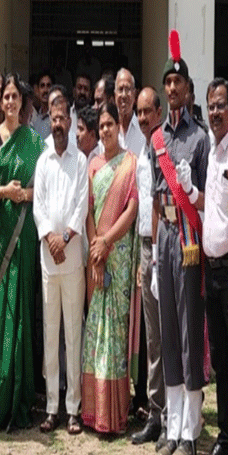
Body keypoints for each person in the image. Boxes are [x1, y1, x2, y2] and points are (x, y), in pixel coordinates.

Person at [151, 31, 209, 455]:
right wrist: (153, 253)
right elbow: (155, 198)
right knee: (169, 331)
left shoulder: (200, 138)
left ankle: (190, 430)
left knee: (190, 333)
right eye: (167, 83)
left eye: (178, 84)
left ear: (188, 90)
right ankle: (171, 426)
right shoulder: (158, 139)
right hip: (166, 235)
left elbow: (206, 197)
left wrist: (191, 190)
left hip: (190, 237)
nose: (172, 89)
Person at [0, 72, 45, 431]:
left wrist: (25, 195)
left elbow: (45, 190)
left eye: (14, 97)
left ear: (22, 103)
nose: (9, 102)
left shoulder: (35, 143)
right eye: (4, 97)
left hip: (24, 235)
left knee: (20, 310)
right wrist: (5, 191)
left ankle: (20, 396)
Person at [33, 85, 89, 434]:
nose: (57, 123)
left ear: (70, 121)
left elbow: (81, 205)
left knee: (73, 332)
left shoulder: (80, 160)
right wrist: (49, 237)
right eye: (52, 118)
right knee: (50, 332)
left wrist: (65, 237)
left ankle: (74, 408)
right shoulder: (43, 161)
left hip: (72, 260)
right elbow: (38, 205)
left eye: (62, 118)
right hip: (48, 260)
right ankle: (52, 406)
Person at [81, 101, 138, 435]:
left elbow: (131, 209)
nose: (105, 131)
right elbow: (88, 209)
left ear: (120, 127)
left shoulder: (130, 164)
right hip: (97, 255)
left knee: (114, 333)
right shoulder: (93, 165)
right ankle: (93, 411)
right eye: (100, 126)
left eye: (110, 125)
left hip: (117, 253)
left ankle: (114, 413)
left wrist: (106, 243)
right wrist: (94, 248)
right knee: (95, 333)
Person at [200, 78, 228, 455]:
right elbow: (210, 209)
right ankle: (226, 441)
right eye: (210, 106)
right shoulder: (212, 152)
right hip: (210, 269)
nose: (215, 113)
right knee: (222, 366)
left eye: (221, 106)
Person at [130, 86, 166, 449]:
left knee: (167, 334)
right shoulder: (144, 146)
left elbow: (158, 203)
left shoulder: (162, 147)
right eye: (138, 113)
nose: (142, 118)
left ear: (159, 112)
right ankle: (156, 413)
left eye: (146, 112)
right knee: (154, 336)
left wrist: (155, 254)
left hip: (160, 247)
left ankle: (172, 415)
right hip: (145, 246)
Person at [30, 71, 54, 140]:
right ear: (37, 90)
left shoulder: (55, 118)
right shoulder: (36, 118)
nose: (45, 90)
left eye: (48, 86)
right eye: (42, 86)